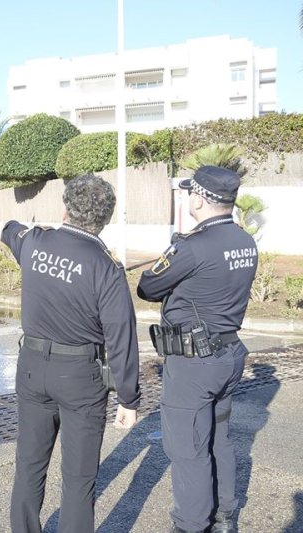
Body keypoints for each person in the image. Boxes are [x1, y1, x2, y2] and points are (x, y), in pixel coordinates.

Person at [2, 174, 141, 533]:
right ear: (106, 219)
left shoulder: (34, 243)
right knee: (79, 479)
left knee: (29, 467)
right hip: (80, 375)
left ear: (65, 208)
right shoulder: (106, 268)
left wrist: (25, 228)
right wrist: (128, 398)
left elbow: (9, 230)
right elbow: (121, 337)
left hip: (32, 368)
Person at [137, 165, 258, 533]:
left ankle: (191, 525)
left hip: (195, 364)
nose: (189, 197)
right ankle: (224, 517)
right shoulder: (244, 241)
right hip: (228, 354)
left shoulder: (191, 247)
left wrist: (175, 249)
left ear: (201, 199)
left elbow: (147, 287)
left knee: (188, 448)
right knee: (218, 437)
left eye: (192, 192)